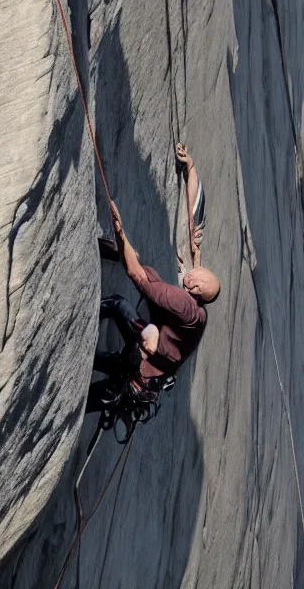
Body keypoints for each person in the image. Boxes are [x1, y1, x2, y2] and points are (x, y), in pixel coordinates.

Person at [88, 143, 220, 424]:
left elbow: (137, 277)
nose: (194, 273)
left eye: (198, 278)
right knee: (106, 361)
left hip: (140, 376)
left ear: (197, 291)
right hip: (147, 365)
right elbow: (196, 221)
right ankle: (89, 359)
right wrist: (191, 169)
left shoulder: (184, 303)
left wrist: (121, 232)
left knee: (119, 304)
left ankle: (78, 323)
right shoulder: (197, 296)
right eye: (200, 272)